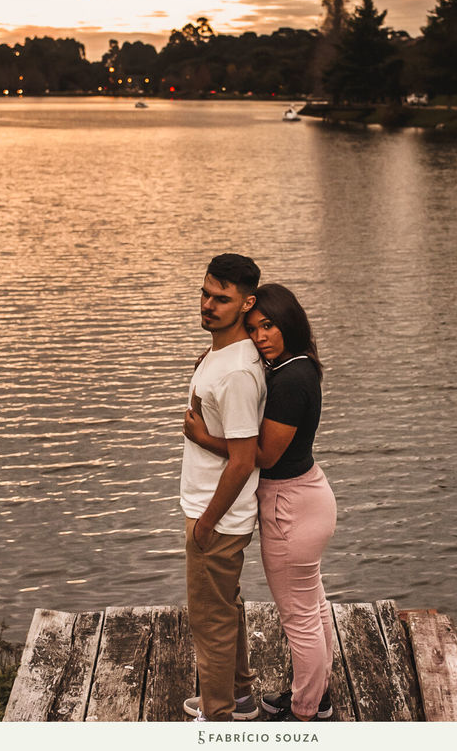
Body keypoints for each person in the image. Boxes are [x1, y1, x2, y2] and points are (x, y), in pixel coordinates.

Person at [184, 283, 337, 722]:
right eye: (253, 328)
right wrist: (214, 362)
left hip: (289, 505)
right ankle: (317, 696)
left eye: (268, 326)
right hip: (308, 495)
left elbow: (260, 456)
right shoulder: (296, 365)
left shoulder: (291, 380)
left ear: (289, 321)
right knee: (314, 605)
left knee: (299, 618)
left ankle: (306, 712)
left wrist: (203, 437)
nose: (260, 337)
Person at [180, 253, 266, 722]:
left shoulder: (235, 374)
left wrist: (206, 525)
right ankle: (239, 698)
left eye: (222, 299)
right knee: (224, 612)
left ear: (246, 302)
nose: (208, 305)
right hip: (214, 513)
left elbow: (243, 459)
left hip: (216, 517)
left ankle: (216, 722)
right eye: (205, 293)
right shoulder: (223, 355)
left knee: (210, 624)